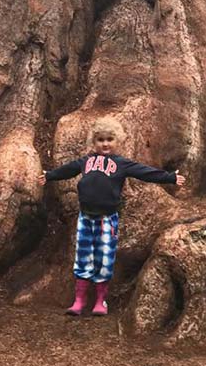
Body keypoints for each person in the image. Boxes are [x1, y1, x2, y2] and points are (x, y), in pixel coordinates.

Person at [38, 117, 186, 316]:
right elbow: (67, 170)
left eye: (109, 139)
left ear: (118, 141)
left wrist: (170, 177)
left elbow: (145, 172)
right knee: (83, 258)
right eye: (100, 139)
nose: (105, 143)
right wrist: (49, 175)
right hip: (86, 219)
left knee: (104, 258)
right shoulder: (86, 161)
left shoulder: (121, 163)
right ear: (94, 141)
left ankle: (100, 301)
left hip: (107, 220)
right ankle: (79, 300)